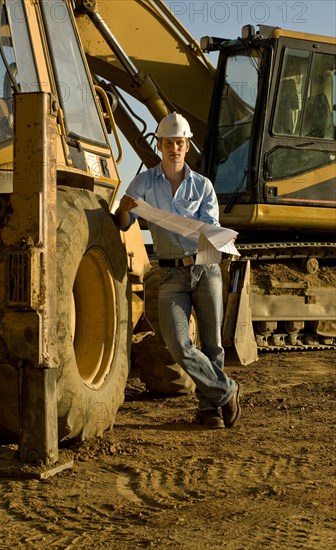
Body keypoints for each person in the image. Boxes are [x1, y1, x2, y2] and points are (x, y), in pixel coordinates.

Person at [115, 112, 242, 429]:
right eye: (169, 143)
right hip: (170, 274)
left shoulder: (203, 186)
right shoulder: (144, 182)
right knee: (177, 344)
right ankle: (227, 390)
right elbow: (123, 222)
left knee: (212, 344)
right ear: (160, 145)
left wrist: (191, 231)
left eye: (180, 143)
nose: (174, 148)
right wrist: (124, 209)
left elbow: (210, 231)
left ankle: (209, 409)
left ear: (187, 147)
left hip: (204, 268)